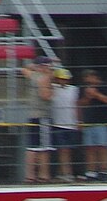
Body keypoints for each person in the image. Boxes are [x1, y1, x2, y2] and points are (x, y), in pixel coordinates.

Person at [20, 55, 55, 183]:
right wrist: (52, 90)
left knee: (32, 147)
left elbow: (24, 69)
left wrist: (34, 66)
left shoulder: (33, 75)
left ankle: (29, 175)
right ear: (43, 66)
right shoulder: (44, 79)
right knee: (44, 148)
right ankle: (43, 175)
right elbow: (46, 96)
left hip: (32, 114)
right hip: (42, 116)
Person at [78, 68, 107, 180]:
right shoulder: (84, 89)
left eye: (88, 78)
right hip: (88, 122)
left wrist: (96, 94)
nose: (87, 81)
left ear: (95, 77)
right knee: (89, 148)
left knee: (102, 147)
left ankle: (104, 172)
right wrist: (87, 97)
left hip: (102, 122)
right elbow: (80, 104)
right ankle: (91, 172)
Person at [48, 66, 81, 181]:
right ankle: (66, 173)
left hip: (71, 123)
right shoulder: (53, 88)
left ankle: (66, 172)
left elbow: (76, 105)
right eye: (61, 78)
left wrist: (78, 121)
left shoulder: (74, 89)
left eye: (65, 79)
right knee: (62, 150)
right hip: (58, 124)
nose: (63, 81)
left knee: (69, 150)